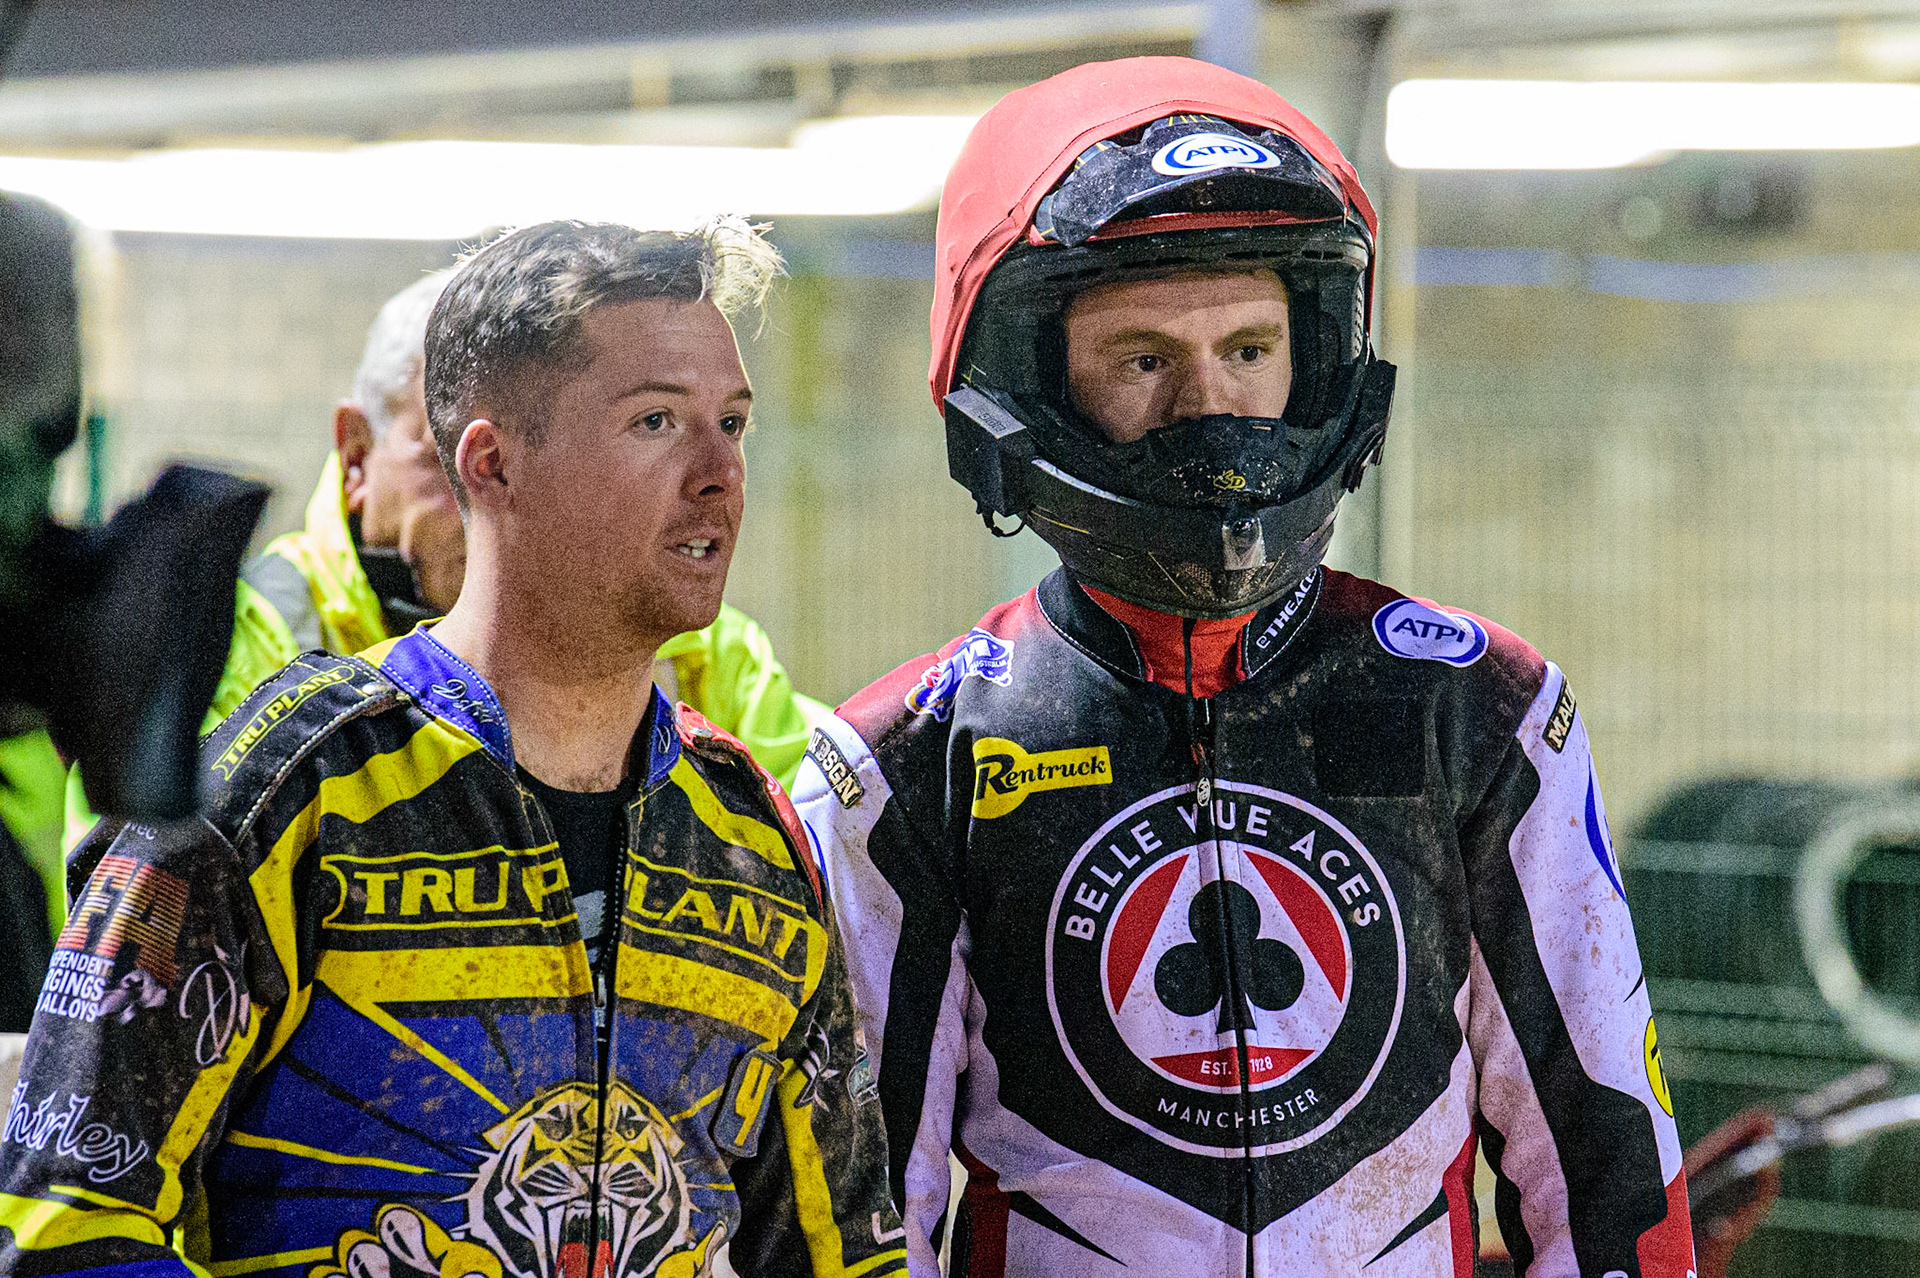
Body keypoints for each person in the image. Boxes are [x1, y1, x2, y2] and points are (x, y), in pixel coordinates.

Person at [793, 58, 1695, 1277]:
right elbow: (853, 1219)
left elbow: (1610, 1175)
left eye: (1251, 348)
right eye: (1144, 359)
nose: (1210, 409)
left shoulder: (1481, 705)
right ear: (1027, 386)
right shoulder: (903, 760)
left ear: (1311, 359)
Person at [0, 218, 905, 1278]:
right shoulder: (289, 792)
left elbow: (846, 1258)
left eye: (735, 423)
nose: (720, 473)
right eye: (657, 420)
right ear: (493, 463)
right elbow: (67, 1228)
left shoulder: (750, 840)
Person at [61, 272, 825, 862]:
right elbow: (142, 890)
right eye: (447, 459)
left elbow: (822, 865)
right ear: (357, 453)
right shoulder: (241, 640)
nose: (488, 500)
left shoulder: (704, 651)